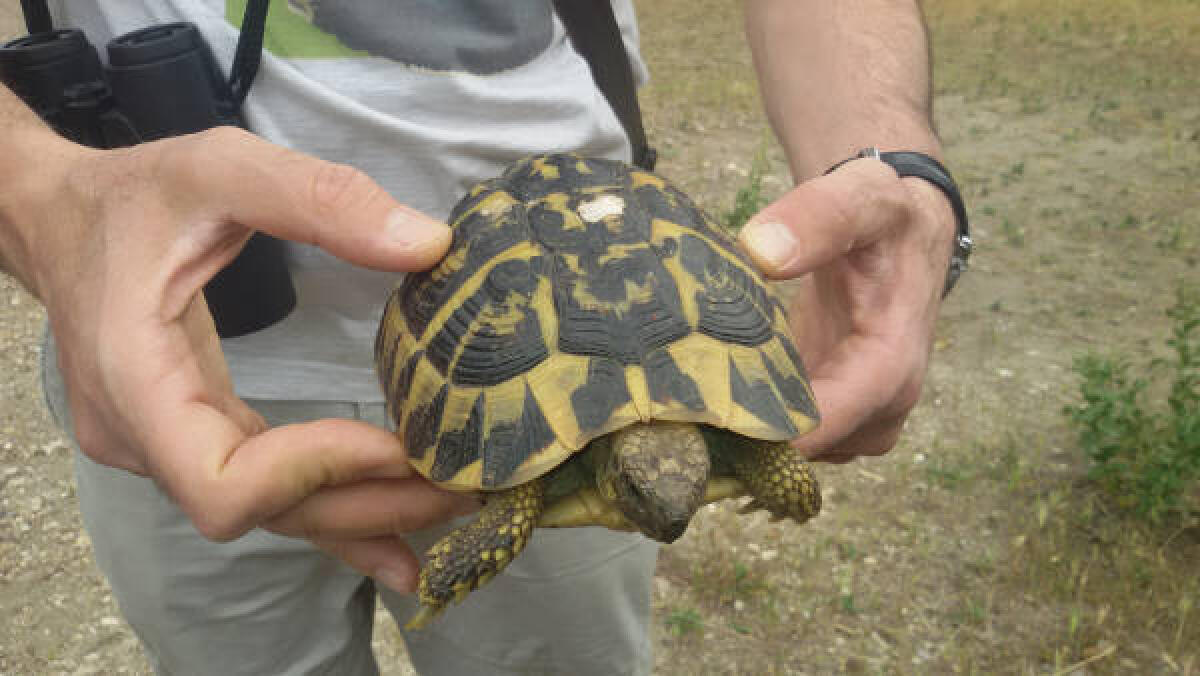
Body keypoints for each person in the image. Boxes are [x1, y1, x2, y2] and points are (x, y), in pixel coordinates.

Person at [0, 1, 961, 674]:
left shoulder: (655, 465)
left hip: (608, 247)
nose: (661, 512)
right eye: (637, 489)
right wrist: (38, 198)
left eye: (645, 490)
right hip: (165, 338)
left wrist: (888, 154)